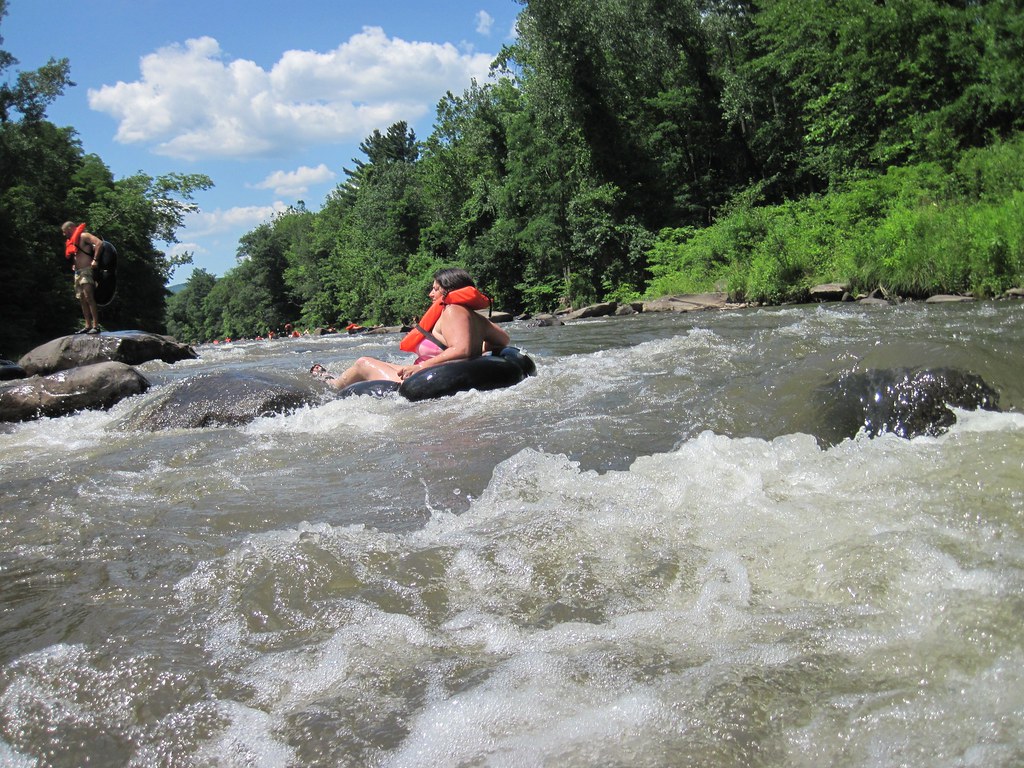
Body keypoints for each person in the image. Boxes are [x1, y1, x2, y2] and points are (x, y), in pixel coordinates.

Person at [316, 268, 510, 390]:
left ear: (448, 291)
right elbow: (503, 341)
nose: (430, 293)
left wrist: (420, 367)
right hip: (441, 374)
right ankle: (332, 379)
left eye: (435, 288)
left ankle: (332, 385)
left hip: (428, 382)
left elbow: (462, 350)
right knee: (383, 363)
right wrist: (481, 349)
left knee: (363, 362)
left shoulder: (453, 311)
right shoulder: (476, 318)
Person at [61, 221, 105, 334]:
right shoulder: (72, 241)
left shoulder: (84, 236)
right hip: (77, 273)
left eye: (64, 232)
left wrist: (95, 260)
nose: (64, 234)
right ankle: (87, 325)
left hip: (87, 270)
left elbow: (99, 243)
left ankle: (96, 325)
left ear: (70, 228)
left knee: (89, 296)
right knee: (81, 299)